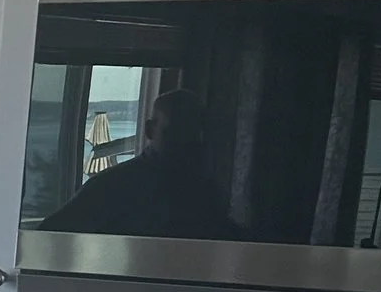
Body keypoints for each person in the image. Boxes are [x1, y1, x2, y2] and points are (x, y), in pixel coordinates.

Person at [38, 86, 236, 240]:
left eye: (193, 134)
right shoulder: (110, 187)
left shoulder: (207, 190)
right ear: (150, 130)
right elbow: (49, 236)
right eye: (175, 133)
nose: (185, 142)